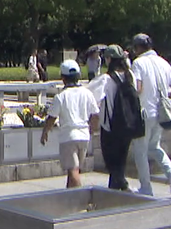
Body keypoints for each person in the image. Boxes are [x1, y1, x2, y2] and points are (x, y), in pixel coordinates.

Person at [129, 33, 171, 196]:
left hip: (145, 113)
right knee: (154, 146)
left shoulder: (138, 63)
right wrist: (164, 96)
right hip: (162, 113)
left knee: (140, 150)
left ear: (138, 48)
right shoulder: (164, 62)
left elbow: (138, 88)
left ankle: (146, 187)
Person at [87, 45, 142, 190]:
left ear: (109, 59)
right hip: (128, 125)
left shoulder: (106, 79)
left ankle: (119, 187)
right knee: (121, 161)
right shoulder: (131, 76)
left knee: (111, 163)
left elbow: (90, 94)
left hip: (111, 127)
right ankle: (119, 186)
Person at [41, 59, 100, 188]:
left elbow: (52, 118)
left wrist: (45, 132)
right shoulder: (87, 93)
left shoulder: (61, 97)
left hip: (68, 137)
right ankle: (69, 198)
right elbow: (95, 115)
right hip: (84, 136)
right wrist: (92, 129)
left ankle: (81, 201)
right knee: (74, 170)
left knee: (73, 170)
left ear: (63, 78)